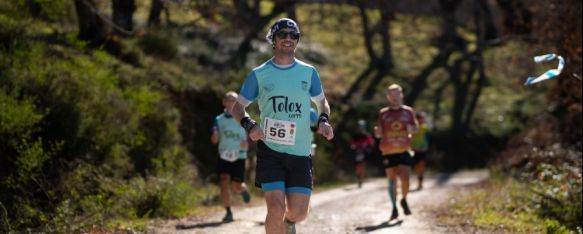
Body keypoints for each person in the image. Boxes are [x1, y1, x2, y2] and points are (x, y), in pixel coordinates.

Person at [231, 18, 334, 234]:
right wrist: (250, 126)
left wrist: (323, 120)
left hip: (300, 152)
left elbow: (322, 102)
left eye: (293, 35)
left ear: (297, 41)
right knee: (275, 208)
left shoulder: (309, 72)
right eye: (282, 34)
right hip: (271, 151)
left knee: (298, 213)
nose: (288, 38)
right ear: (273, 40)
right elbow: (237, 108)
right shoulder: (259, 74)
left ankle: (289, 223)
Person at [374, 84, 418, 221]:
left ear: (401, 95)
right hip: (388, 150)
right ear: (388, 97)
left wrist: (412, 129)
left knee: (405, 179)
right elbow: (378, 132)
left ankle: (404, 199)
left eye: (397, 94)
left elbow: (416, 128)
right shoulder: (383, 113)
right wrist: (377, 133)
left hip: (404, 149)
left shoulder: (408, 111)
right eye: (392, 95)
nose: (395, 97)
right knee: (391, 181)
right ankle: (394, 208)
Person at [211, 91, 252, 223]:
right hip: (223, 154)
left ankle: (243, 189)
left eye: (234, 100)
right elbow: (214, 140)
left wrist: (248, 142)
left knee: (236, 186)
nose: (231, 103)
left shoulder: (244, 117)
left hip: (239, 155)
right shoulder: (218, 119)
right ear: (224, 102)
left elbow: (252, 133)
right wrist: (215, 136)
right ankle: (228, 212)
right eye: (229, 100)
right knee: (223, 181)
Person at [349, 120, 375, 188]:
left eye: (361, 127)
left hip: (364, 153)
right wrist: (353, 147)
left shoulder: (367, 135)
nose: (360, 129)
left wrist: (368, 148)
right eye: (359, 127)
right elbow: (351, 144)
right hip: (357, 153)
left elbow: (371, 143)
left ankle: (361, 179)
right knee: (357, 168)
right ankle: (359, 178)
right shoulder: (355, 136)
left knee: (362, 166)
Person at [411, 111, 431, 190]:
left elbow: (431, 125)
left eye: (422, 118)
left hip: (423, 149)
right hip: (414, 149)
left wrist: (427, 119)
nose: (421, 120)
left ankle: (420, 183)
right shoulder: (413, 127)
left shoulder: (425, 127)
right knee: (416, 167)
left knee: (421, 166)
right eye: (419, 118)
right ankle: (418, 181)